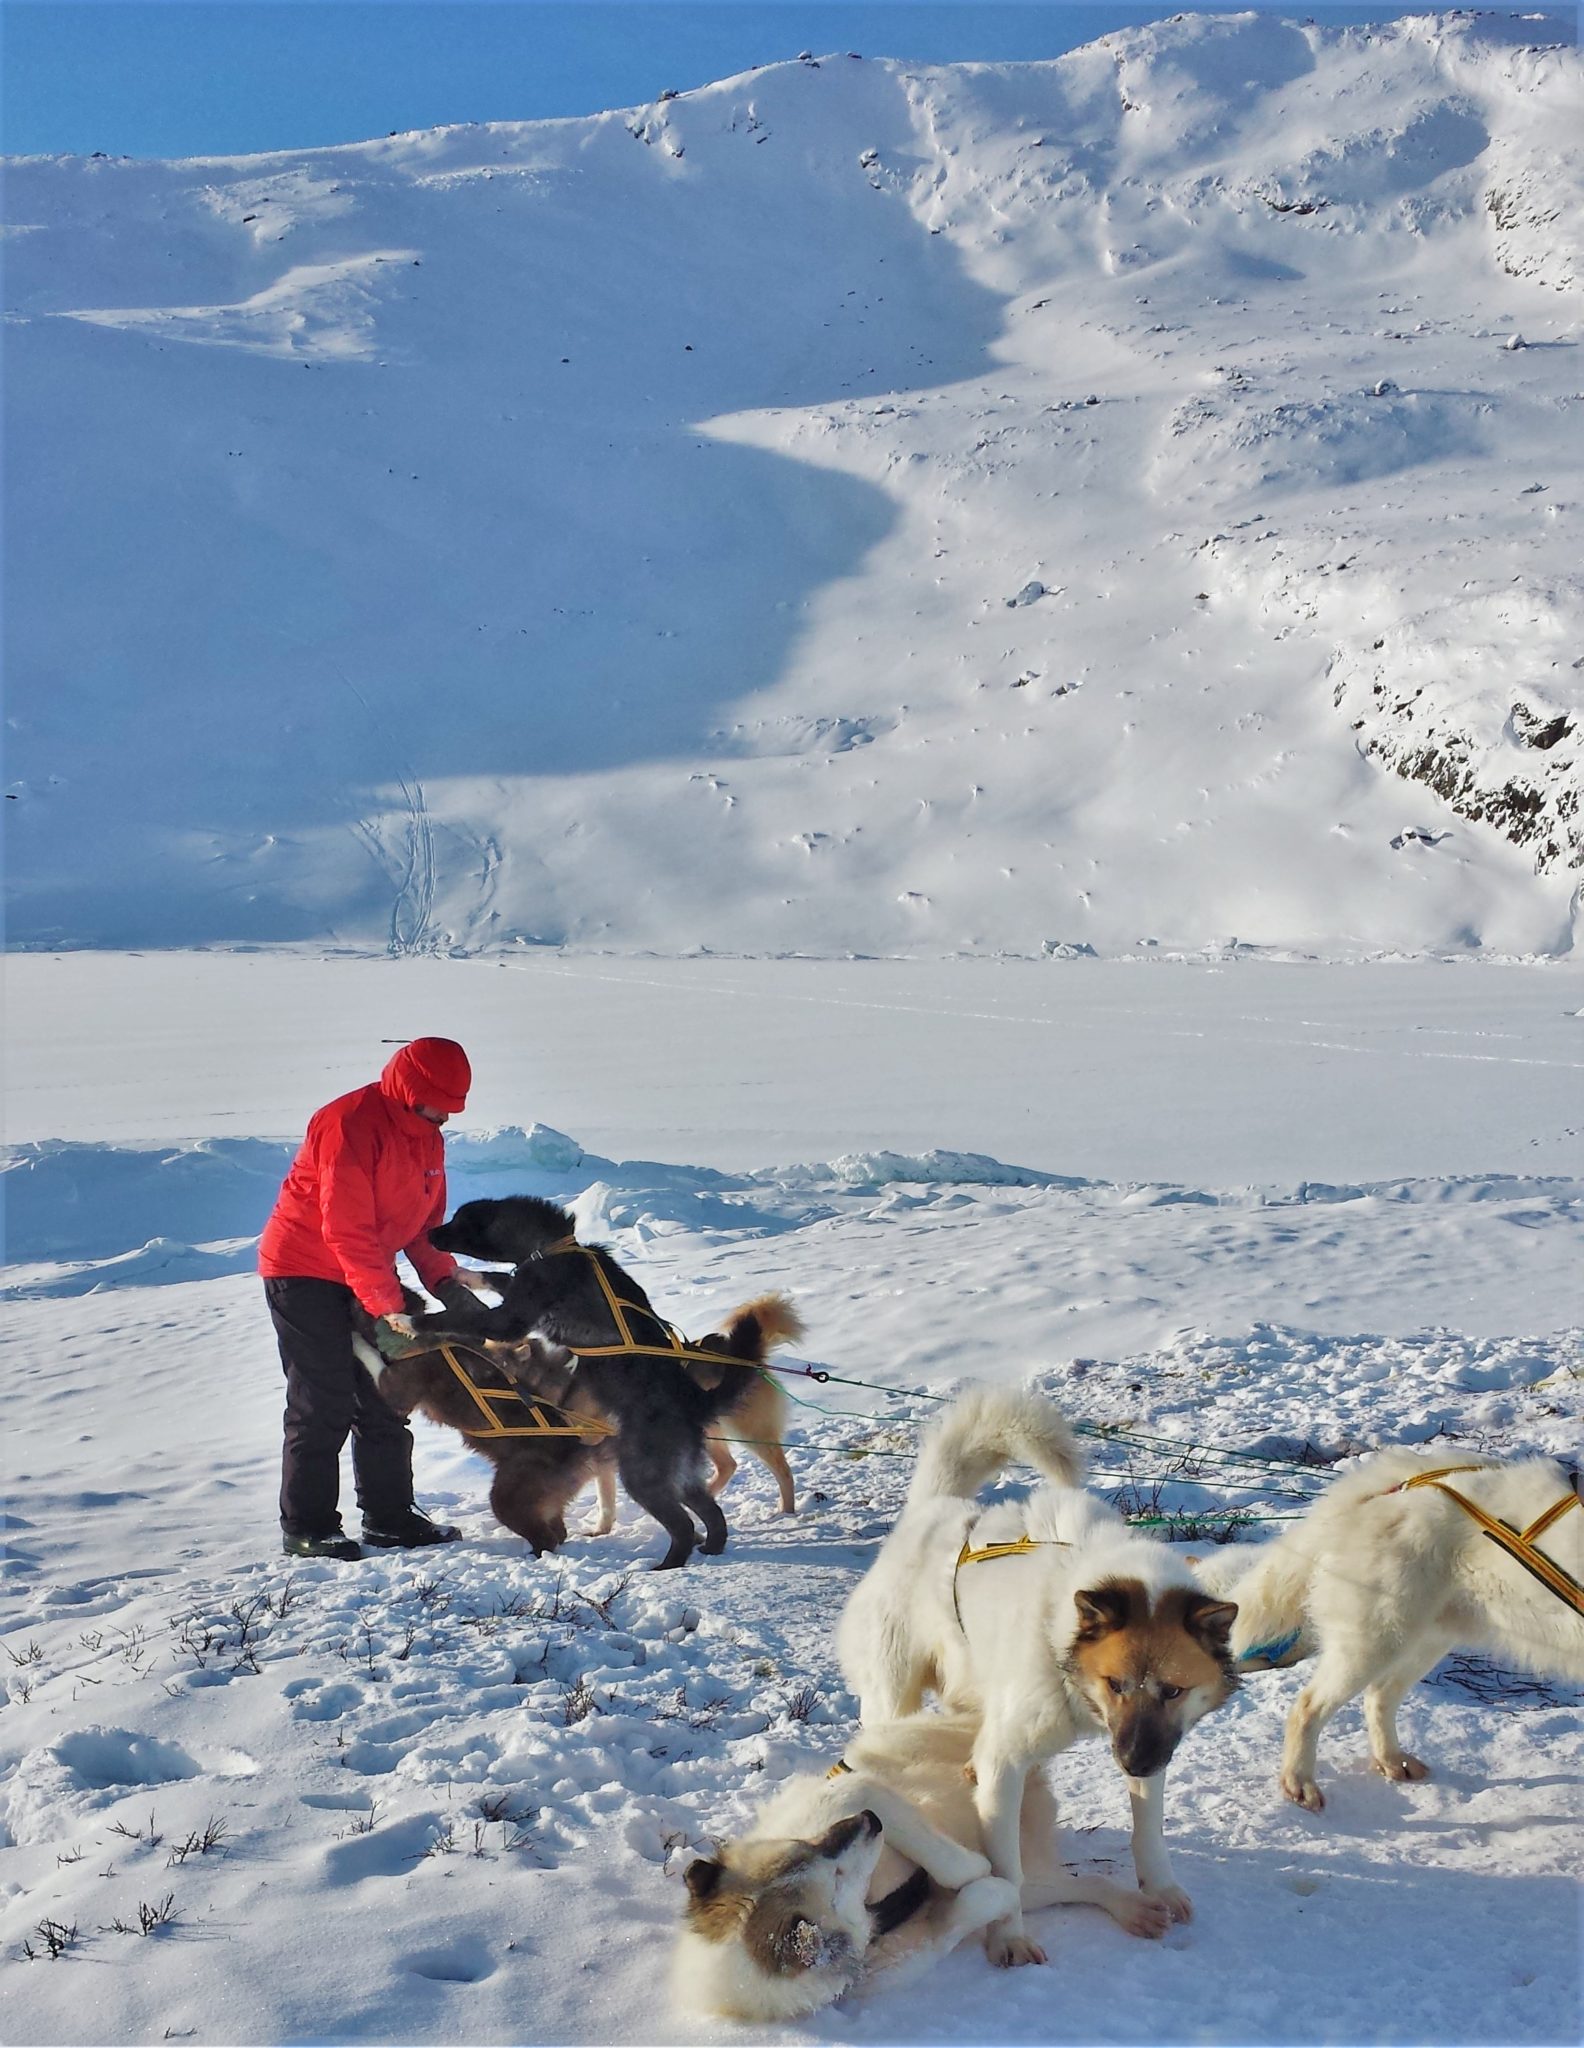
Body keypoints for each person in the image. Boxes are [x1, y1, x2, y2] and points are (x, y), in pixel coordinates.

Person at [259, 1036, 494, 1559]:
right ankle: (308, 1525)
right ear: (411, 1089)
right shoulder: (348, 1123)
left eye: (452, 1111)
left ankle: (391, 1519)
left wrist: (448, 1286)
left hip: (365, 1269)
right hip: (303, 1269)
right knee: (323, 1399)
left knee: (388, 1392)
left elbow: (424, 1226)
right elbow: (346, 1229)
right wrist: (389, 1308)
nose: (445, 1119)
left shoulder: (428, 1135)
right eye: (438, 1107)